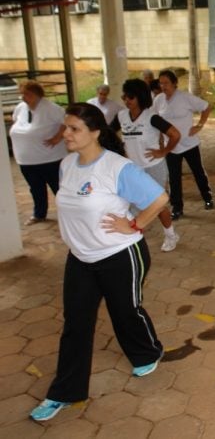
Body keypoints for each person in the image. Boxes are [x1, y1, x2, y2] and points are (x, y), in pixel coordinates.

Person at [28, 103, 166, 422]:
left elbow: (159, 199)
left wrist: (134, 224)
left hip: (121, 255)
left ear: (95, 132)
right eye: (66, 127)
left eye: (74, 128)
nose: (66, 134)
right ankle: (64, 392)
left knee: (126, 312)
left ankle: (148, 352)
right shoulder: (66, 165)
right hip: (80, 258)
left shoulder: (117, 168)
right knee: (76, 325)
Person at [113, 79, 182, 252]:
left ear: (141, 97)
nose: (126, 100)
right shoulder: (121, 116)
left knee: (157, 205)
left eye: (131, 97)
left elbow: (175, 134)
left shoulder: (151, 117)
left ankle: (171, 235)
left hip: (154, 167)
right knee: (129, 204)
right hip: (133, 169)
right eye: (124, 96)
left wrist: (164, 151)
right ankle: (131, 234)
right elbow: (106, 133)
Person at [153, 69, 214, 220]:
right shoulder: (159, 100)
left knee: (198, 172)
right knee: (174, 177)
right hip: (171, 146)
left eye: (166, 83)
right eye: (161, 83)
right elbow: (155, 120)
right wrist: (160, 138)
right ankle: (177, 207)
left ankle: (207, 198)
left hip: (189, 144)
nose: (163, 86)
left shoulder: (185, 97)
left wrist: (199, 125)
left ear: (174, 83)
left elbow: (206, 107)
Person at [9, 81, 67, 226]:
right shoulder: (20, 108)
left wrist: (57, 137)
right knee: (36, 188)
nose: (24, 97)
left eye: (28, 94)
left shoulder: (51, 108)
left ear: (38, 95)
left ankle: (68, 214)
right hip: (26, 160)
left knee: (58, 188)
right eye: (22, 94)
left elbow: (66, 122)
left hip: (50, 159)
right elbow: (15, 121)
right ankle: (39, 214)